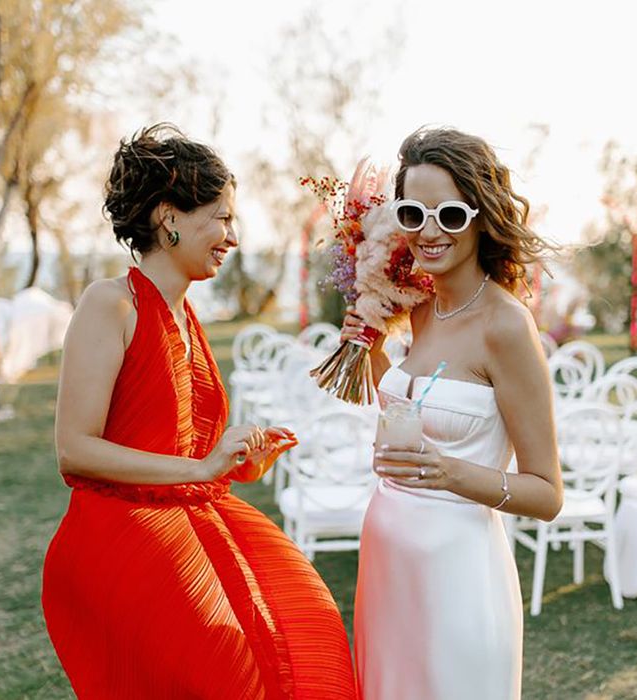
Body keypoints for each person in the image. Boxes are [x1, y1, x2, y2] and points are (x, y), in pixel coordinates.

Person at [42, 124, 357, 699]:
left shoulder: (187, 315)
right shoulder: (110, 303)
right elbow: (75, 449)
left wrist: (238, 467)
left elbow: (184, 450)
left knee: (309, 630)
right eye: (223, 217)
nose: (232, 237)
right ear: (170, 218)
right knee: (231, 671)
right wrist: (202, 470)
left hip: (194, 514)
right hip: (123, 529)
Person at [344, 127, 564, 700]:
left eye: (451, 215)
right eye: (415, 213)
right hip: (387, 569)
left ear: (482, 215)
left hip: (458, 579)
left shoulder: (507, 327)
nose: (430, 232)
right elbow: (403, 410)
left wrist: (450, 475)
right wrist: (368, 349)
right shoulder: (416, 308)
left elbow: (546, 493)